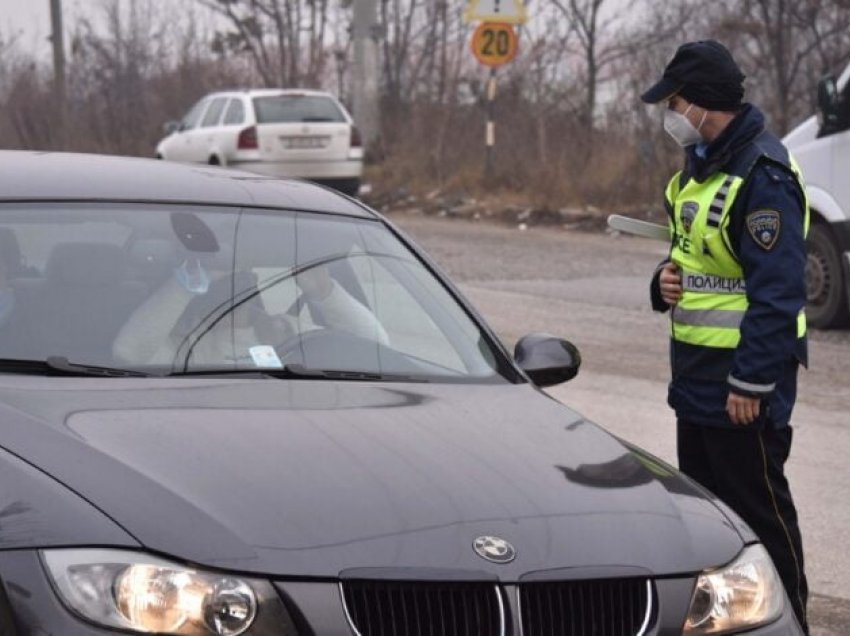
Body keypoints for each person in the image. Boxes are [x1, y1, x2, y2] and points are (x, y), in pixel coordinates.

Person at [642, 40, 809, 632]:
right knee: (709, 523)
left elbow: (779, 292)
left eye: (674, 102)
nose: (669, 114)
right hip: (695, 382)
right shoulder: (700, 168)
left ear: (702, 103)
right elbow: (692, 256)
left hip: (742, 390)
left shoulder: (763, 176)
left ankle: (790, 621)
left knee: (760, 522)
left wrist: (751, 382)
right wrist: (662, 281)